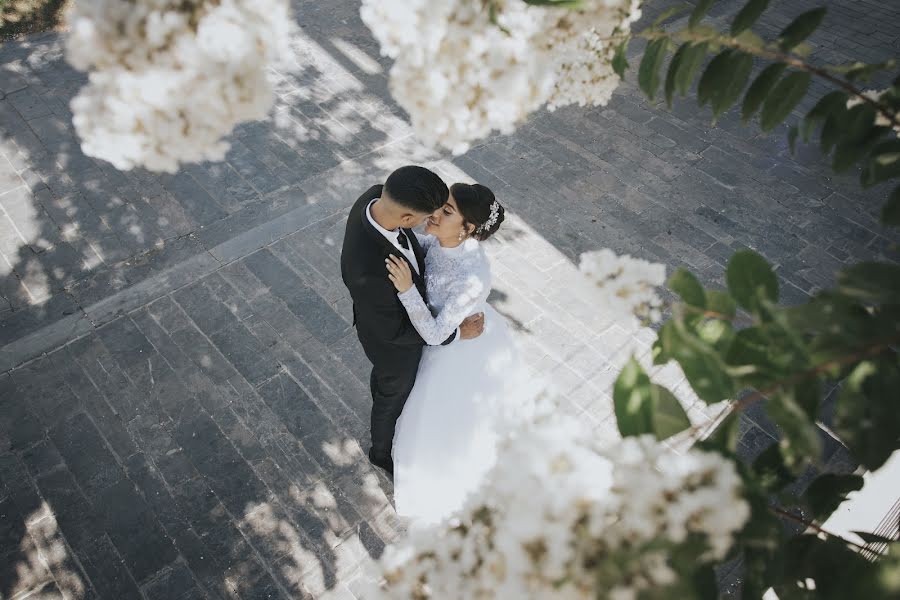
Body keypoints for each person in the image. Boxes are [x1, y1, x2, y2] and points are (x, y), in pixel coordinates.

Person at [386, 182, 532, 525]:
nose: (435, 213)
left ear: (469, 230)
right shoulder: (439, 237)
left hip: (455, 349)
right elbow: (421, 245)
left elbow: (436, 334)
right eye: (441, 204)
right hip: (453, 334)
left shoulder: (473, 279)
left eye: (447, 211)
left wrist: (407, 290)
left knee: (436, 417)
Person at [340, 166, 485, 476]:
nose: (429, 221)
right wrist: (455, 335)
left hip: (380, 322)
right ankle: (380, 452)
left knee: (384, 384)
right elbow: (396, 330)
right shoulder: (370, 273)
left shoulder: (375, 197)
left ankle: (380, 385)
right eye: (425, 217)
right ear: (406, 219)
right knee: (392, 396)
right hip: (393, 346)